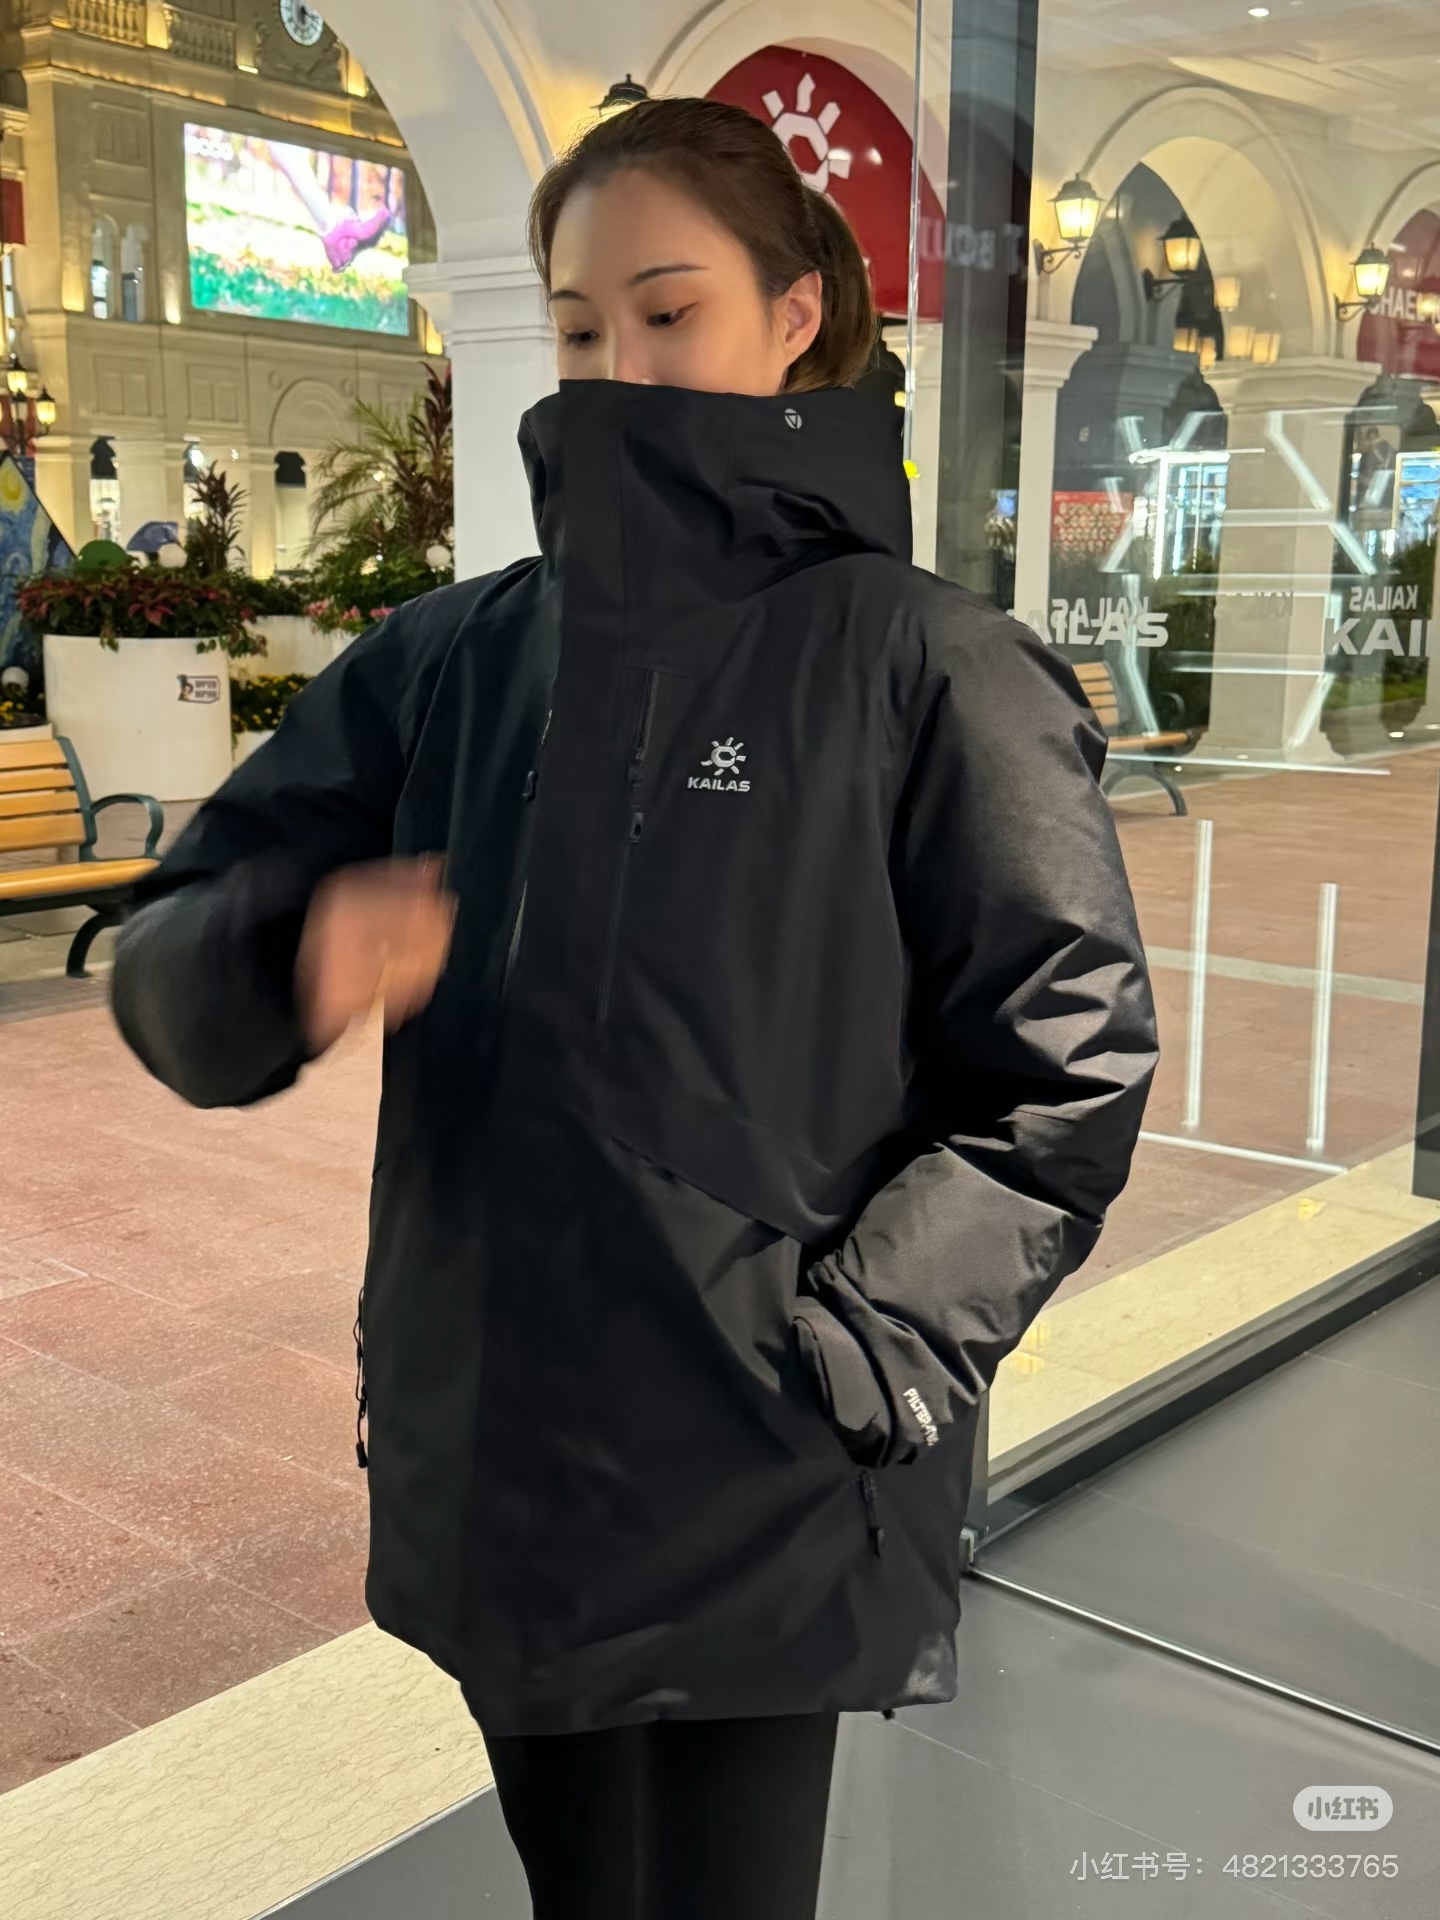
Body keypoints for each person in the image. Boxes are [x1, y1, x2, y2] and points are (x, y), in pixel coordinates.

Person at [112, 98, 1157, 1920]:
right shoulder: (457, 657)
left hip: (764, 1460)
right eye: (581, 325)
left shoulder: (931, 667)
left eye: (670, 312)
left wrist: (861, 1347)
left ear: (797, 316)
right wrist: (284, 950)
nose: (617, 367)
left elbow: (1060, 1068)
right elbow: (176, 934)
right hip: (505, 1444)